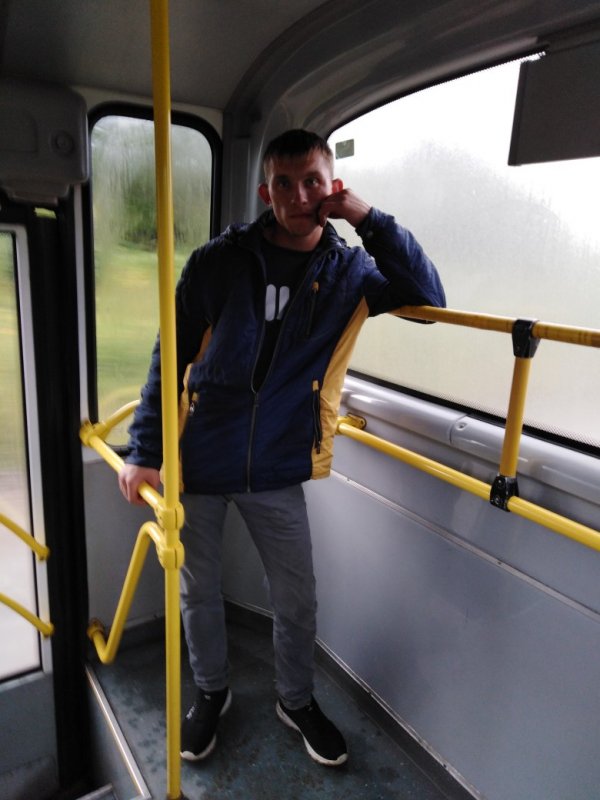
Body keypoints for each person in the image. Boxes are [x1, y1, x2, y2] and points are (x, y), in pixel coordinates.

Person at [118, 129, 445, 768]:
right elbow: (171, 354)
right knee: (198, 591)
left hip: (277, 463)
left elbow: (428, 300)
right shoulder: (218, 261)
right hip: (200, 458)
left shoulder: (350, 271)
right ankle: (210, 692)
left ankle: (295, 700)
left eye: (313, 182)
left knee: (296, 596)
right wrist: (145, 449)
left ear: (333, 186)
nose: (300, 196)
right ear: (266, 193)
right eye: (285, 185)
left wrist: (368, 219)